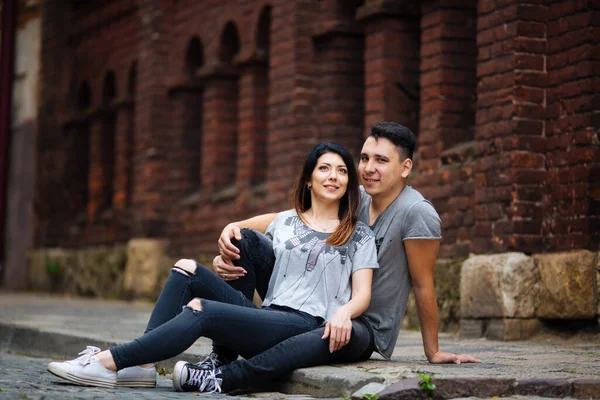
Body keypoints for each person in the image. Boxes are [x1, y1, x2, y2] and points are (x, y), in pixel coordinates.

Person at [172, 122, 480, 393]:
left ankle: (224, 379)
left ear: (405, 167)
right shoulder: (358, 197)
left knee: (320, 336)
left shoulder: (417, 213)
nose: (369, 168)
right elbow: (285, 218)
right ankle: (223, 352)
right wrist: (233, 229)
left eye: (381, 160)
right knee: (249, 242)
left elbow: (424, 283)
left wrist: (433, 351)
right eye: (365, 159)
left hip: (363, 325)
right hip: (320, 303)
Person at [47, 143, 379, 392]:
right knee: (186, 267)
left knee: (200, 309)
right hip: (269, 316)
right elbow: (239, 229)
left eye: (341, 171)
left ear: (349, 183)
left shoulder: (357, 233)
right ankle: (145, 365)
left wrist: (344, 313)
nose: (333, 176)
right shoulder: (284, 220)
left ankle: (109, 361)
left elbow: (362, 293)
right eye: (324, 168)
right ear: (309, 179)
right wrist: (226, 236)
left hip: (306, 324)